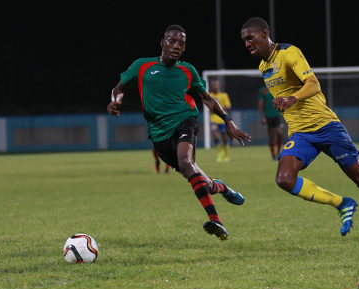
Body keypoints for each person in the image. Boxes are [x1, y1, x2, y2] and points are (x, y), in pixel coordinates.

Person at [240, 17, 359, 248]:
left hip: (327, 127)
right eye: (244, 40)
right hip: (301, 135)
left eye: (250, 38)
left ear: (264, 33)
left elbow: (314, 84)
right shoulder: (263, 67)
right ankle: (342, 204)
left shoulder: (289, 53)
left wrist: (291, 98)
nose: (246, 44)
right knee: (284, 179)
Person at [107, 25, 251, 240]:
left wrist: (228, 121)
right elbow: (119, 88)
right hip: (159, 134)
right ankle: (221, 188)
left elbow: (207, 99)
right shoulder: (142, 66)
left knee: (186, 161)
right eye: (172, 41)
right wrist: (115, 102)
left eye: (181, 43)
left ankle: (216, 221)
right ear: (163, 42)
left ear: (184, 47)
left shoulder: (187, 70)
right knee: (201, 181)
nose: (176, 46)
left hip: (185, 121)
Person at [209, 80, 232, 162]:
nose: (215, 86)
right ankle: (219, 153)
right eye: (213, 85)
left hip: (222, 119)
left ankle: (226, 154)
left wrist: (220, 108)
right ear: (211, 86)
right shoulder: (210, 95)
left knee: (224, 136)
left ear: (219, 86)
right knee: (214, 134)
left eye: (216, 85)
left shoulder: (224, 95)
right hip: (214, 118)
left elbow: (228, 106)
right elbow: (209, 106)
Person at [258, 86, 283, 160]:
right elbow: (261, 104)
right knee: (271, 136)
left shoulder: (278, 89)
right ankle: (273, 155)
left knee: (280, 133)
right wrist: (262, 117)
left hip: (277, 115)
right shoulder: (263, 90)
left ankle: (278, 153)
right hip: (268, 116)